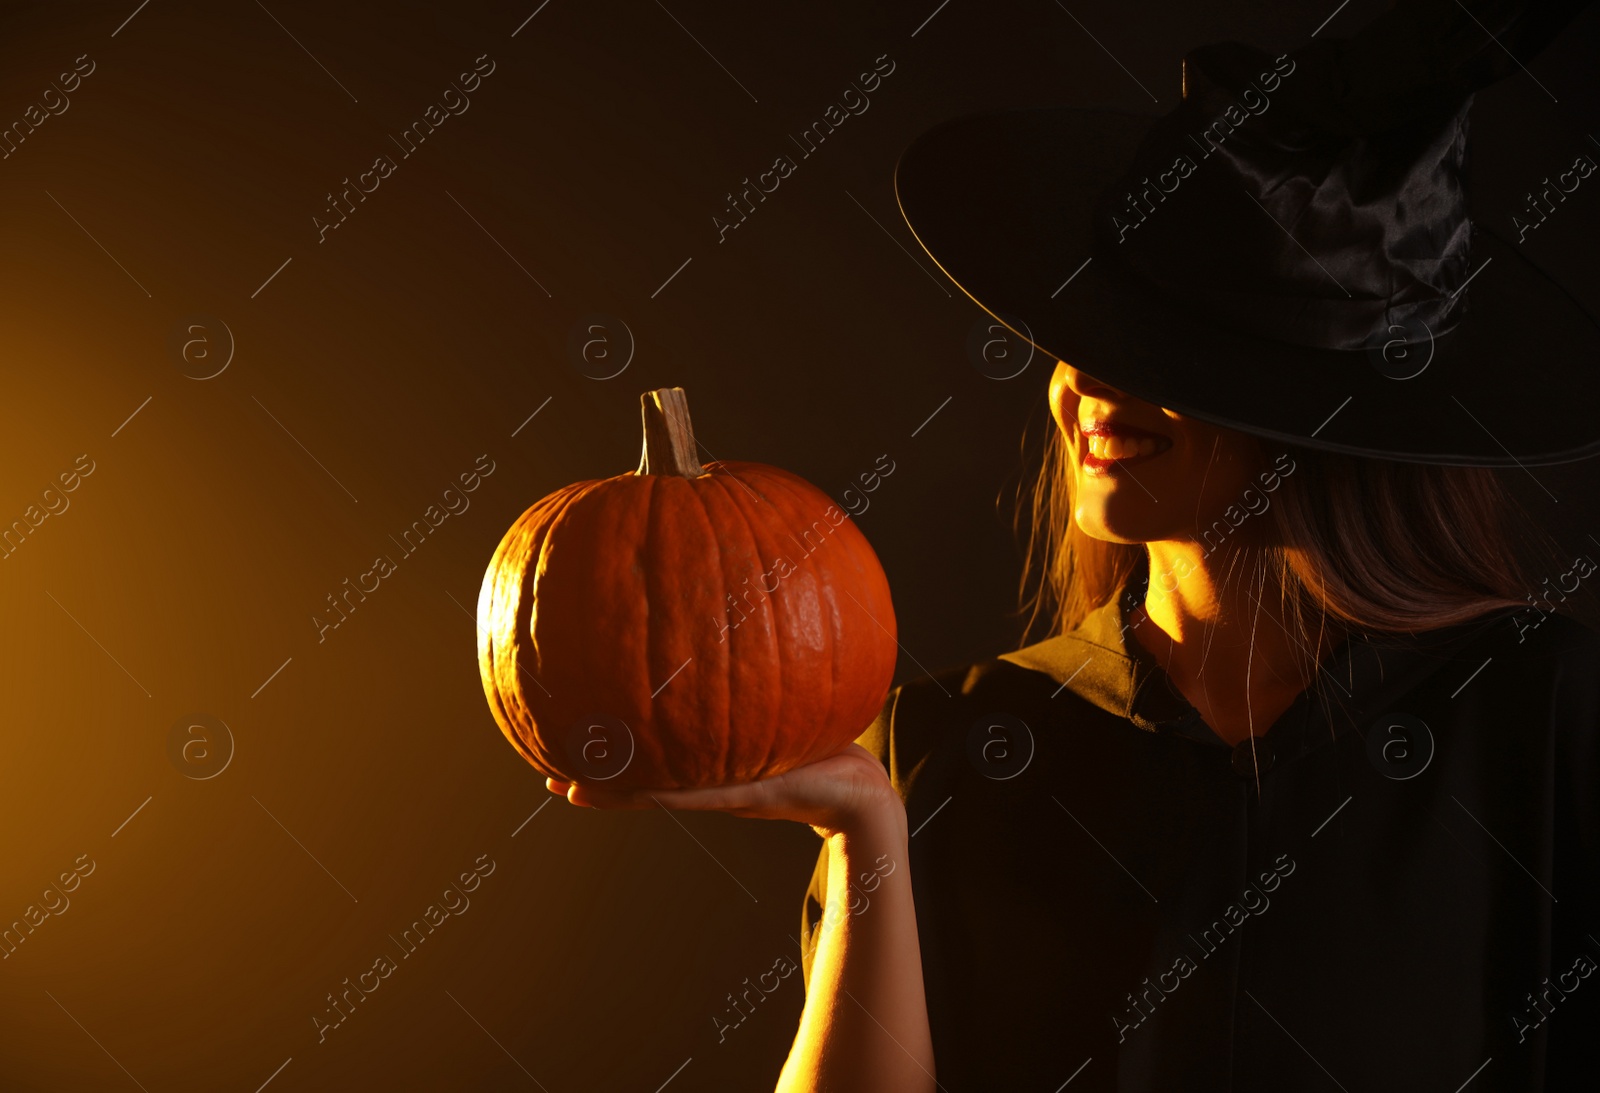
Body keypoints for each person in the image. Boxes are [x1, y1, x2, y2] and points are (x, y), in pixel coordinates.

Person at [546, 4, 1600, 1089]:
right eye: (1087, 336)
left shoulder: (1538, 715)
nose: (1085, 383)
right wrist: (863, 836)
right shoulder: (953, 741)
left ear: (1315, 404)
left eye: (1166, 350)